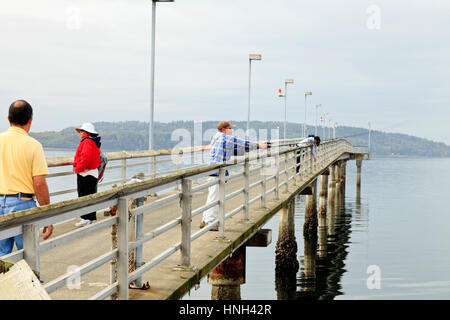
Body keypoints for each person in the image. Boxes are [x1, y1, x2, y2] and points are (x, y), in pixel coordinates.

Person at [0, 100, 53, 256]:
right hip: (22, 203)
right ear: (30, 119)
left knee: (2, 254)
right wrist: (47, 214)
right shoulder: (33, 145)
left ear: (8, 118)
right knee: (28, 253)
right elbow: (39, 183)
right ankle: (30, 280)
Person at [200, 121, 267, 230]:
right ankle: (210, 223)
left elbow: (236, 150)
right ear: (224, 130)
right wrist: (258, 145)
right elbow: (241, 142)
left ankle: (205, 220)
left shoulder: (220, 139)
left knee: (212, 196)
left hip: (214, 172)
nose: (232, 131)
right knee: (214, 197)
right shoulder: (224, 137)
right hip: (216, 172)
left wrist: (247, 149)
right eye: (230, 129)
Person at [73, 122, 101, 227]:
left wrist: (78, 168)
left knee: (83, 196)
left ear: (87, 133)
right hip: (93, 172)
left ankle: (85, 218)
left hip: (85, 173)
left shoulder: (87, 142)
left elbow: (86, 157)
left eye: (82, 131)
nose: (80, 133)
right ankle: (92, 218)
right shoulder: (94, 142)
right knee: (91, 196)